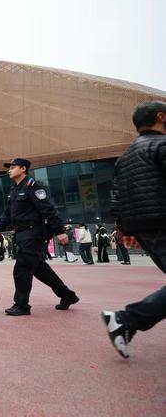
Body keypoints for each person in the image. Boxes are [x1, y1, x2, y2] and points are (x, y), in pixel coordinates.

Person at [102, 100, 166, 358]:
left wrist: (125, 229)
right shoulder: (161, 145)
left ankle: (126, 322)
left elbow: (116, 198)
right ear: (161, 117)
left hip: (144, 228)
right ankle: (126, 320)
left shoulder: (125, 157)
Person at [0, 158, 79, 316]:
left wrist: (60, 231)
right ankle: (68, 296)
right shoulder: (15, 189)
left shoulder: (33, 186)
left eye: (13, 167)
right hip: (21, 234)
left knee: (22, 269)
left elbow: (48, 209)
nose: (9, 170)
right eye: (9, 168)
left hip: (33, 233)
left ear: (23, 168)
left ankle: (21, 305)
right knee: (40, 270)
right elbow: (7, 213)